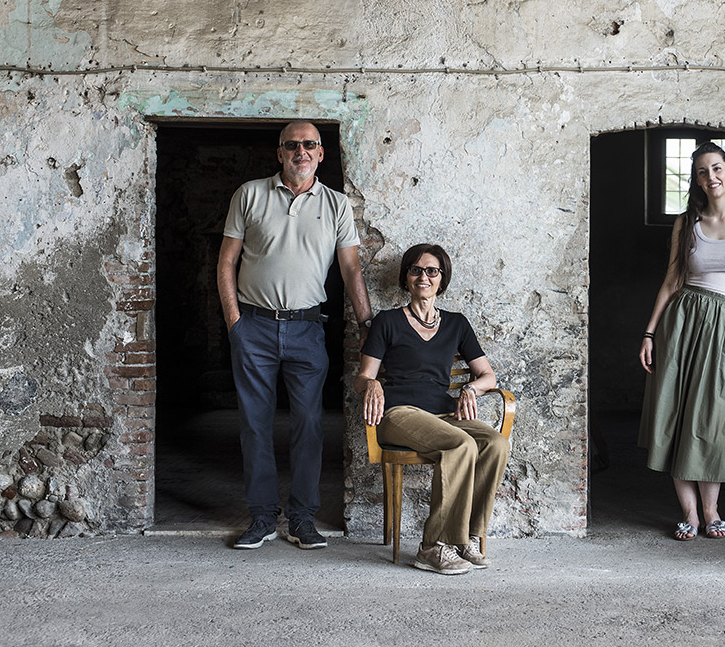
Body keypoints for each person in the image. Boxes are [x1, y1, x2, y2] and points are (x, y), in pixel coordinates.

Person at [218, 121, 372, 550]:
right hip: (254, 326)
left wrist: (366, 325)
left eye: (309, 145)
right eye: (292, 145)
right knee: (254, 424)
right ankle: (262, 517)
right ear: (280, 153)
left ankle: (302, 517)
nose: (300, 151)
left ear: (321, 153)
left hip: (307, 328)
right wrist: (234, 323)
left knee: (309, 425)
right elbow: (227, 262)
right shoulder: (249, 195)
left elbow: (351, 268)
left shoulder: (336, 204)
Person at [637, 142, 725, 541]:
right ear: (696, 180)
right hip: (683, 322)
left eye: (717, 168)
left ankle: (713, 510)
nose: (711, 177)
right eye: (702, 172)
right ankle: (691, 515)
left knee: (715, 419)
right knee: (676, 416)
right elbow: (672, 280)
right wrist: (649, 332)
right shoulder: (686, 222)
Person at [356, 244, 509, 575]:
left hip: (443, 414)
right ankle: (432, 547)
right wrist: (372, 385)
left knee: (495, 443)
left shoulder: (457, 324)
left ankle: (465, 537)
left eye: (431, 271)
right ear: (406, 278)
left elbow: (487, 376)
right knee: (460, 444)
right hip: (398, 414)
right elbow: (363, 377)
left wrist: (470, 389)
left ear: (442, 279)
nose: (423, 277)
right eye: (415, 270)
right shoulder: (387, 321)